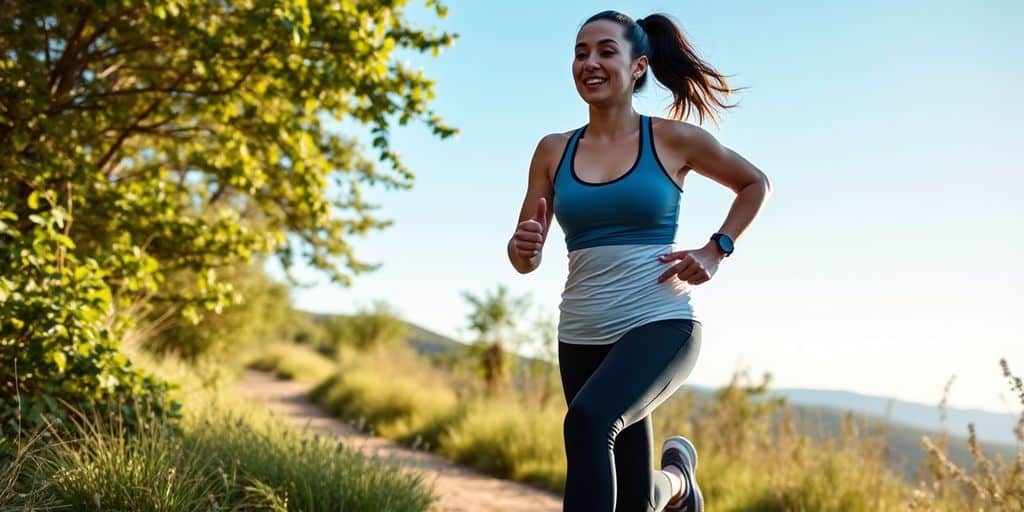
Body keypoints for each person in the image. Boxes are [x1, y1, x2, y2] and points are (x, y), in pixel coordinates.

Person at [506, 10, 772, 512]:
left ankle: (672, 485)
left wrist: (716, 250)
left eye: (606, 51)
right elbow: (524, 255)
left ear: (637, 66)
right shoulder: (552, 150)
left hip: (659, 321)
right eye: (581, 52)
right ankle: (676, 485)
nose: (591, 62)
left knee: (588, 421)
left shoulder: (672, 139)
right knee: (631, 497)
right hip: (581, 332)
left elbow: (754, 183)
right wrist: (523, 248)